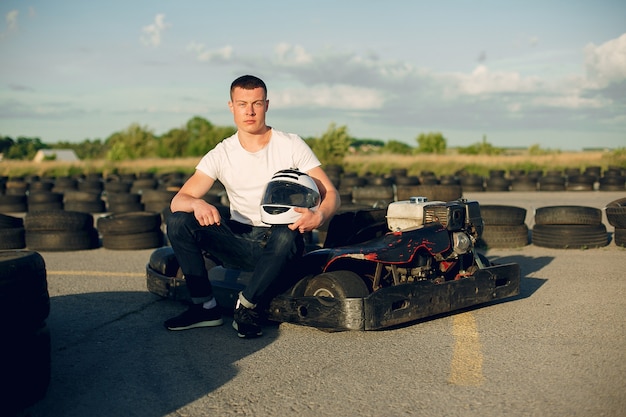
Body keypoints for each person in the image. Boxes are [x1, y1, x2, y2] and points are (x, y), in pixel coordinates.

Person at [164, 75, 340, 338]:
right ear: (231, 106)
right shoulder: (221, 153)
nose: (249, 111)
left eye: (256, 103)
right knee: (179, 220)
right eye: (242, 103)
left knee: (286, 231)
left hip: (280, 241)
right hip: (238, 239)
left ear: (266, 105)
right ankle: (205, 307)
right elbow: (179, 199)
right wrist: (197, 203)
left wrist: (320, 215)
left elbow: (331, 192)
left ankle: (247, 306)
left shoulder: (290, 144)